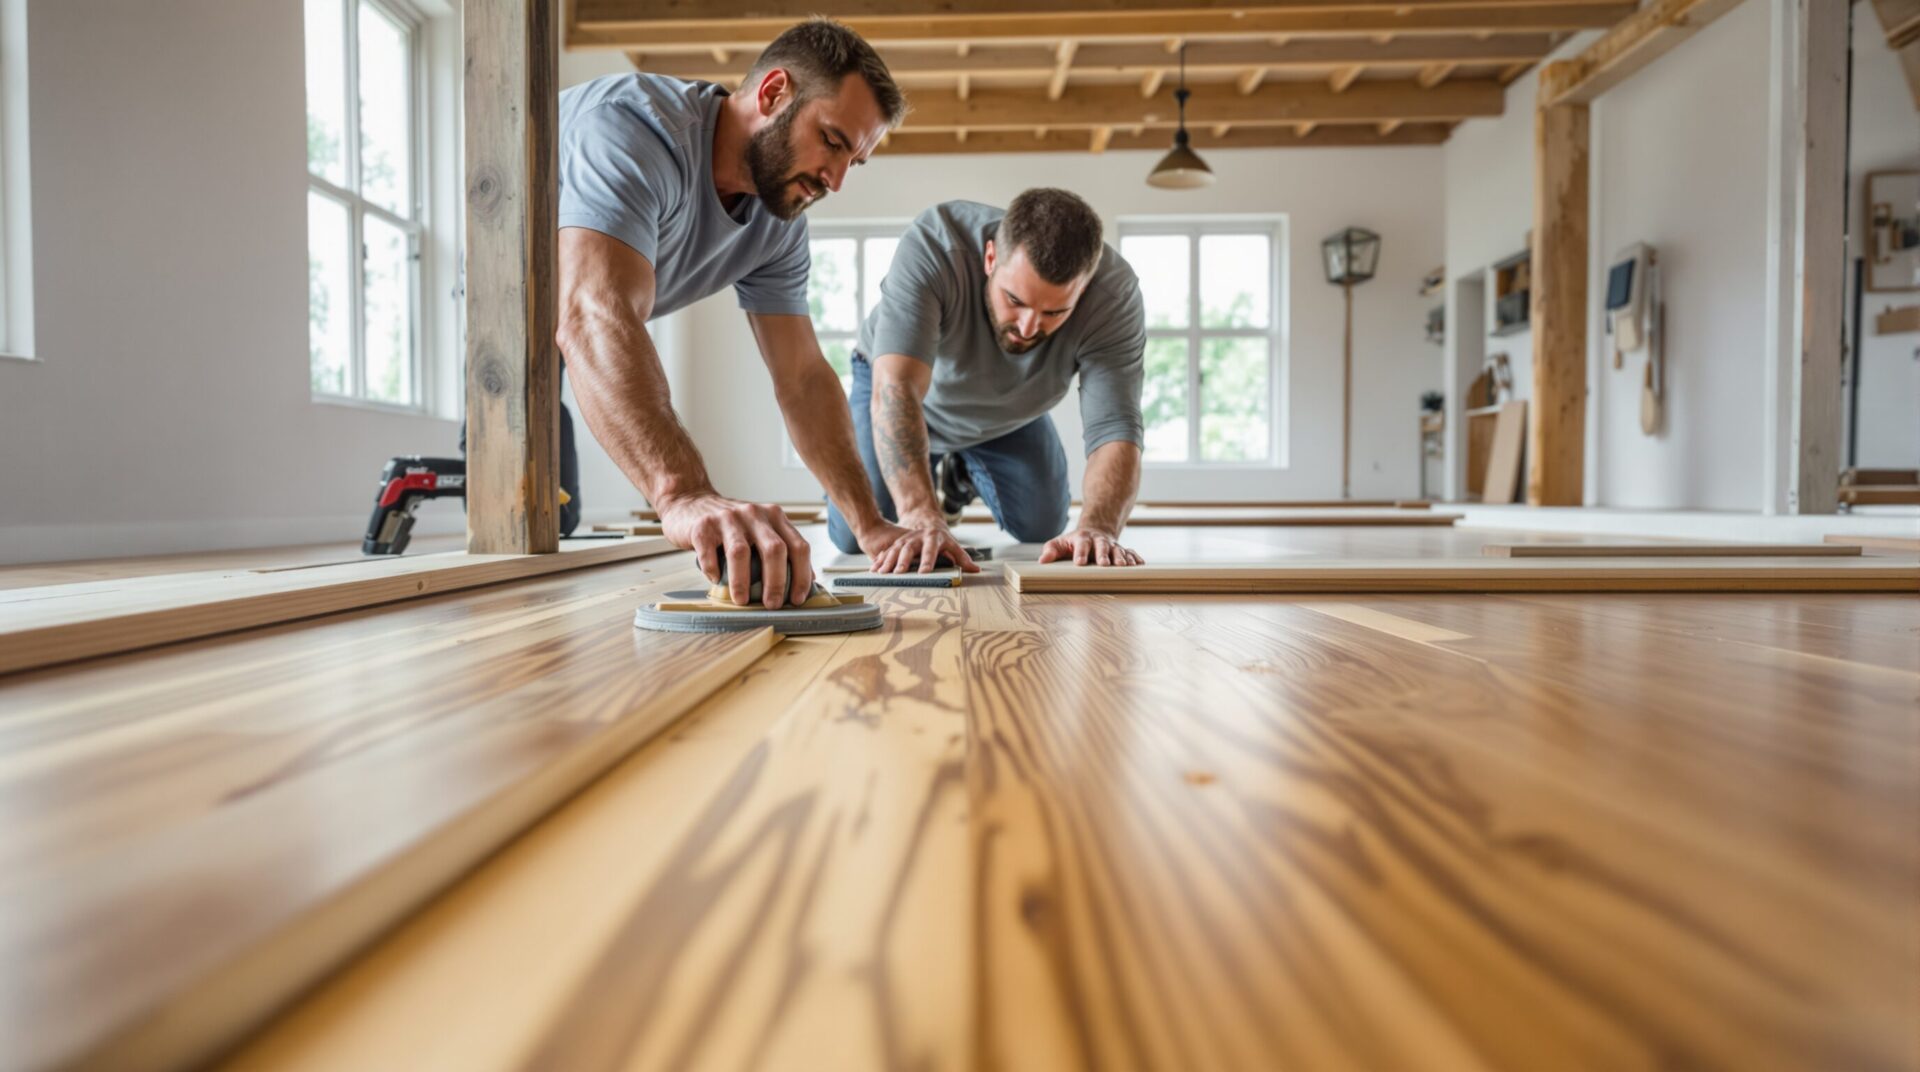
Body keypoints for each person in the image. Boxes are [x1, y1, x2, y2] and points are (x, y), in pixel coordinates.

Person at [551, 18, 975, 608]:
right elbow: (594, 312)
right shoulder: (633, 130)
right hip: (503, 323)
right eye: (832, 141)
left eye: (854, 161)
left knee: (559, 517)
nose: (836, 180)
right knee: (530, 533)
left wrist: (872, 527)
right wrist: (683, 493)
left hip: (583, 330)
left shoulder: (777, 222)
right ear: (774, 93)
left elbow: (802, 378)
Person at [825, 190, 1148, 571]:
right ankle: (925, 482)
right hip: (905, 394)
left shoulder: (1114, 295)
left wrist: (1099, 528)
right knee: (853, 536)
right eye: (1015, 301)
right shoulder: (936, 242)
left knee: (1041, 526)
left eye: (1054, 312)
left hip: (1010, 408)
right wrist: (918, 513)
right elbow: (897, 387)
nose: (1028, 328)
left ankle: (957, 476)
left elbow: (1114, 426)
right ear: (990, 258)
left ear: (1085, 286)